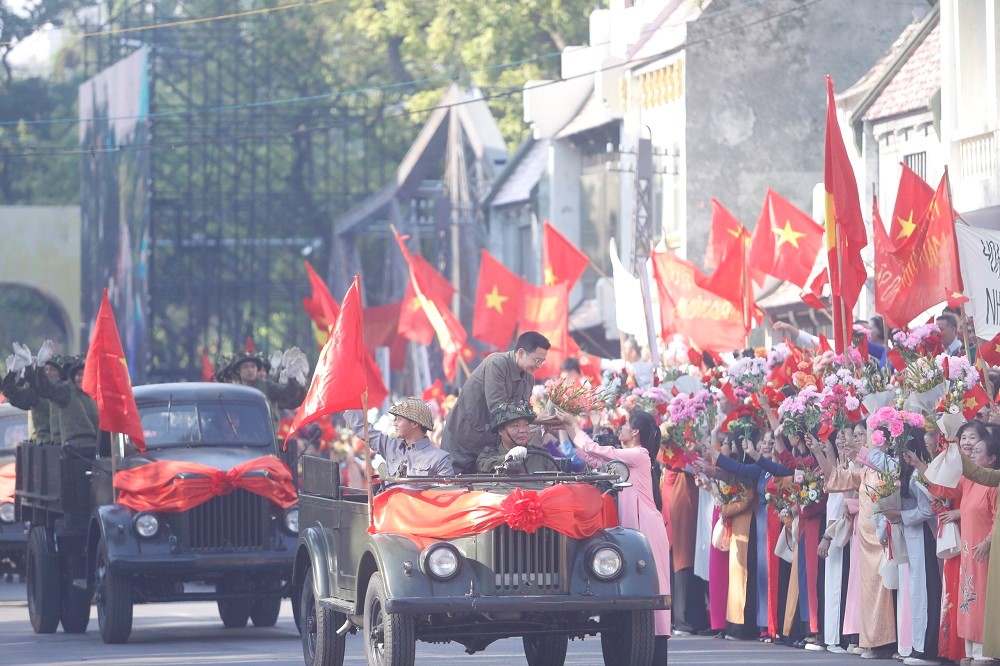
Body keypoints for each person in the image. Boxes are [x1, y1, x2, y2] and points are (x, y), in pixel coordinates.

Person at [556, 407, 671, 664]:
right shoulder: (629, 459)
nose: (620, 428)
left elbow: (602, 451)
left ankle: (656, 653)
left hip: (647, 529)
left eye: (625, 424)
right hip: (634, 530)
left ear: (636, 431)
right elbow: (595, 460)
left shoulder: (640, 455)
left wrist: (575, 423)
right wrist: (568, 429)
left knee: (654, 587)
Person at [912, 433, 999, 663]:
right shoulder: (969, 481)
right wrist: (920, 465)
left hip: (986, 552)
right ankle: (970, 650)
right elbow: (942, 490)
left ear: (992, 459)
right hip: (969, 552)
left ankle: (985, 651)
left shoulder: (994, 486)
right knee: (967, 601)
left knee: (982, 599)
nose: (972, 454)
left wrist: (988, 542)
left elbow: (997, 518)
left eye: (978, 451)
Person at [442, 331, 553, 473]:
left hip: (488, 445)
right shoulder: (497, 363)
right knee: (454, 487)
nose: (539, 366)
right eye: (536, 360)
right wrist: (537, 419)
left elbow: (523, 410)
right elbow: (499, 409)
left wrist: (544, 420)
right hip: (462, 440)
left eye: (542, 361)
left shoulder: (529, 378)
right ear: (520, 353)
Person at [343, 397, 453, 477]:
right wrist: (348, 399)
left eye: (399, 419)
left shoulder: (440, 459)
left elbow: (446, 497)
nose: (395, 423)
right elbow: (364, 429)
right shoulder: (391, 446)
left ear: (414, 424)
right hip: (390, 508)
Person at [476, 400, 559, 474]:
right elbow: (482, 465)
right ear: (501, 431)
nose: (522, 430)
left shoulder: (542, 455)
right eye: (515, 425)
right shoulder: (489, 454)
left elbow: (555, 485)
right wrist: (506, 457)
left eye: (526, 425)